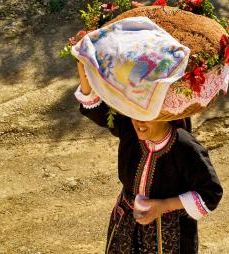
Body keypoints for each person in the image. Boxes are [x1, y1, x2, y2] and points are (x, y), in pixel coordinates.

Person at [75, 61, 223, 254]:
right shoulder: (129, 127)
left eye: (147, 116)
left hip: (172, 232)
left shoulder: (185, 147)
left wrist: (163, 206)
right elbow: (97, 110)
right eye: (134, 114)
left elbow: (210, 194)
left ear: (165, 114)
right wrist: (85, 71)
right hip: (126, 222)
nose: (139, 123)